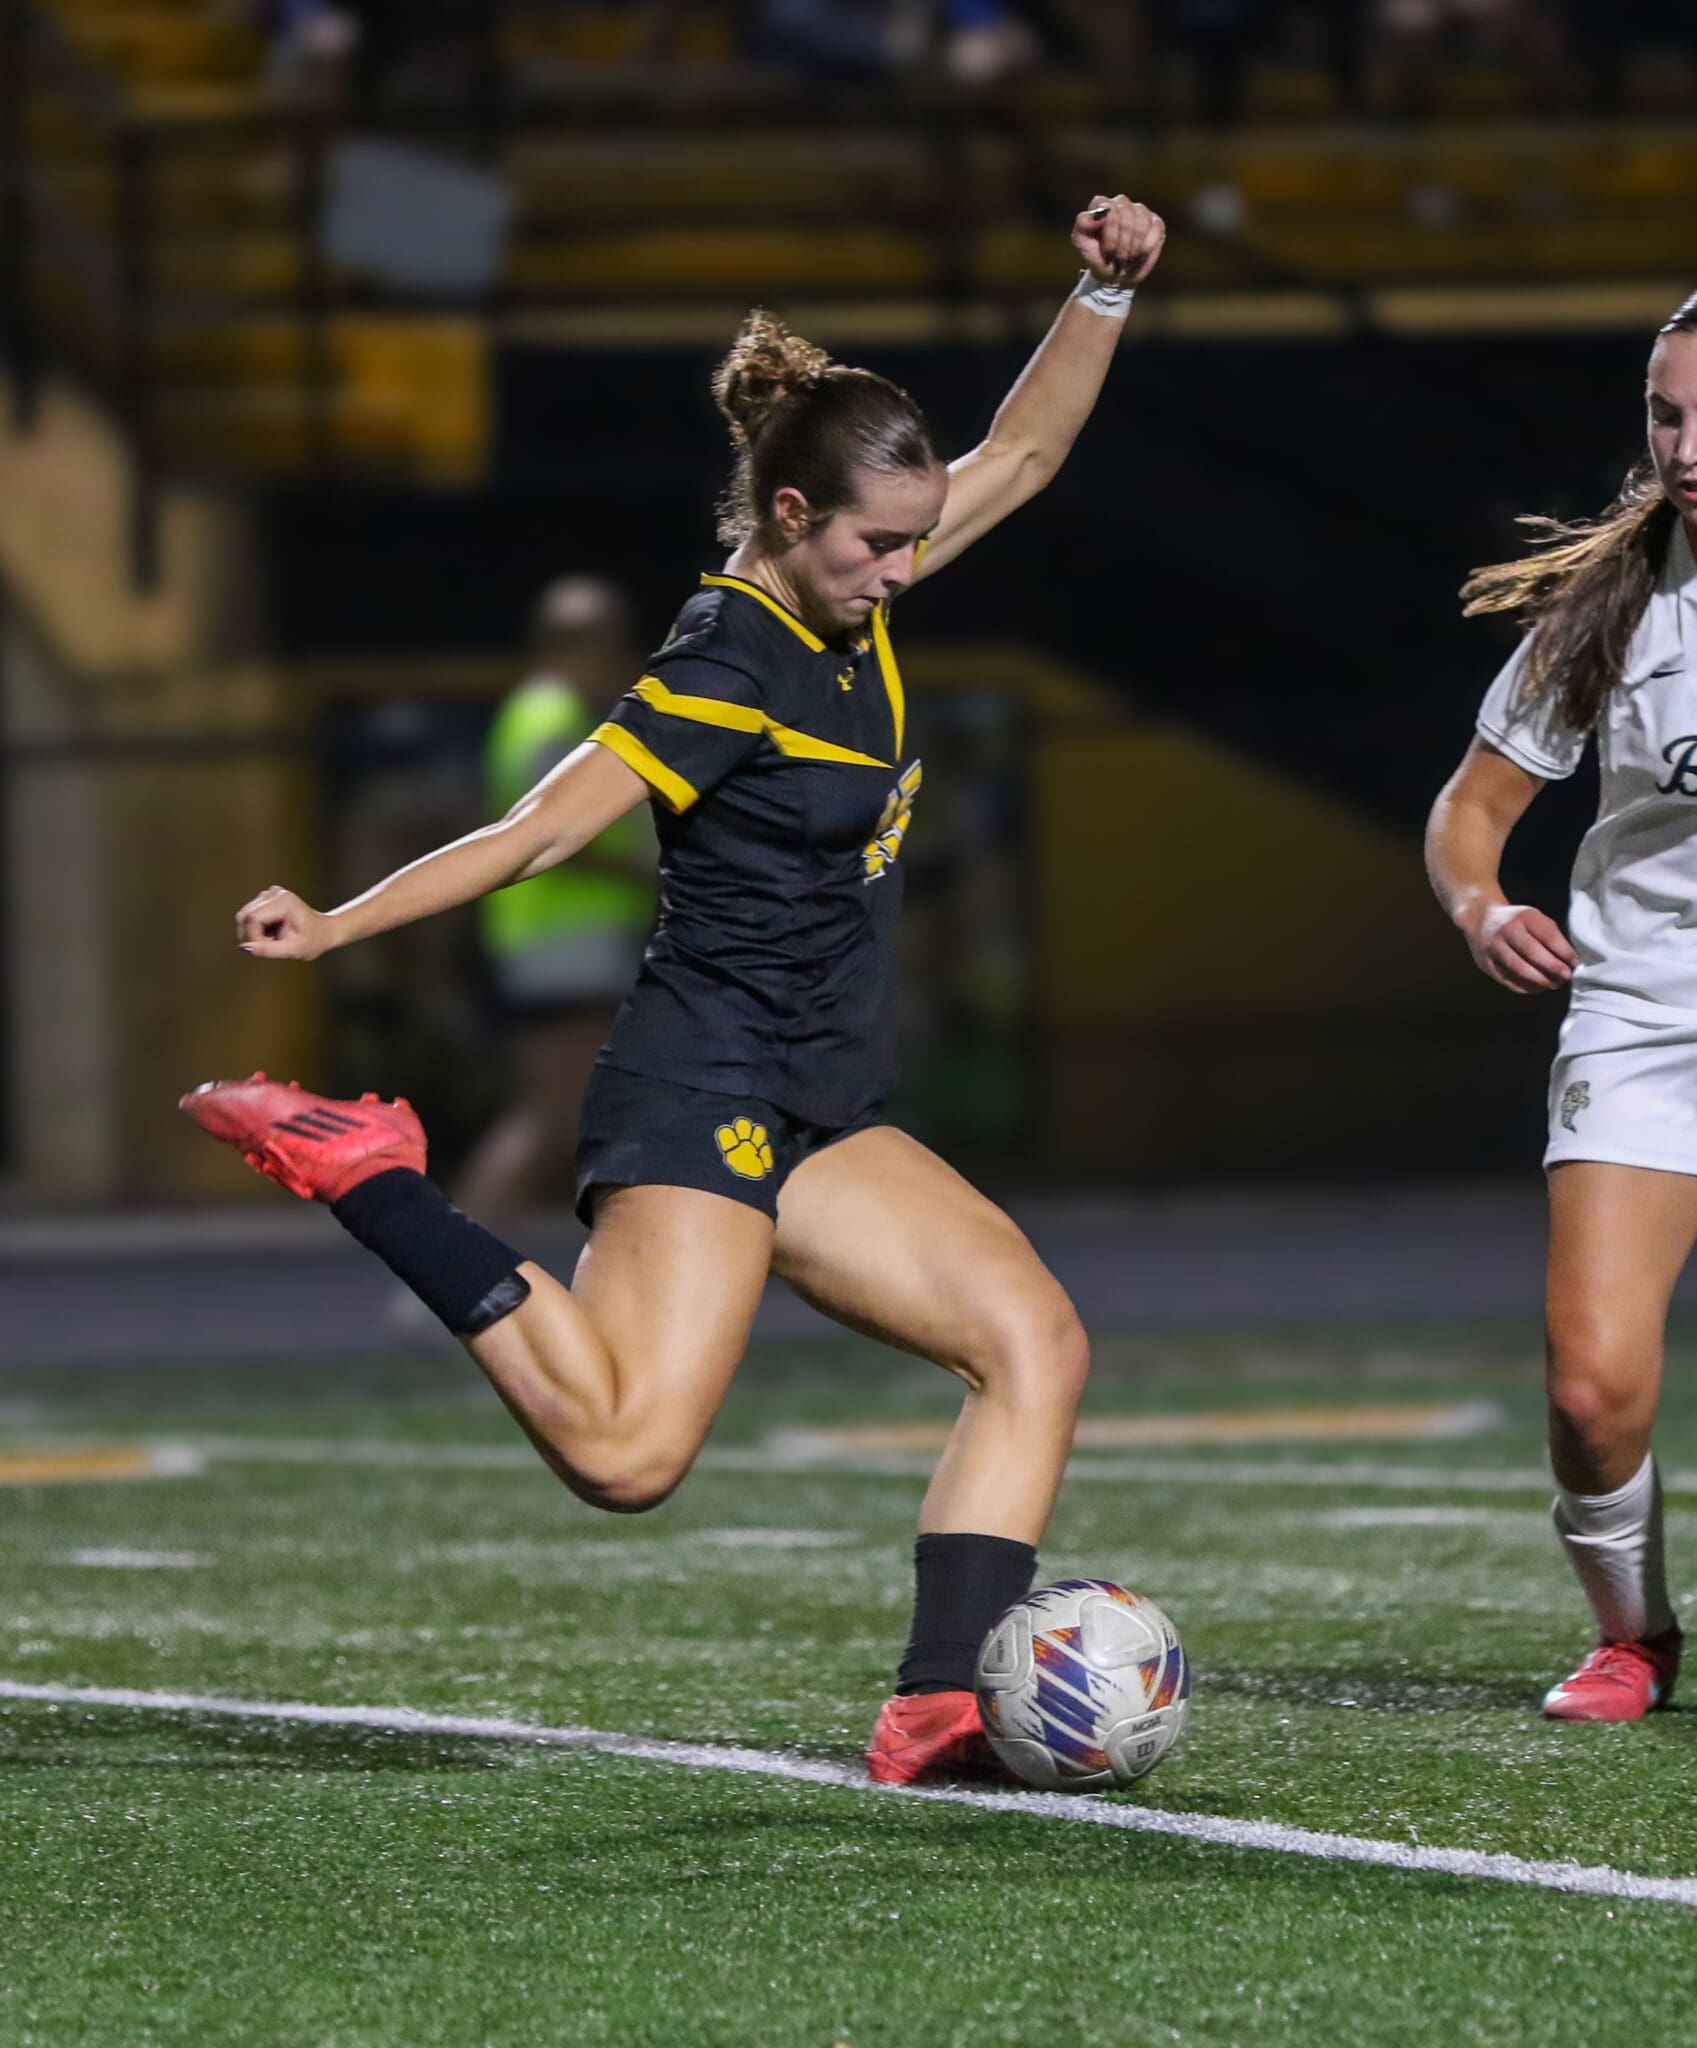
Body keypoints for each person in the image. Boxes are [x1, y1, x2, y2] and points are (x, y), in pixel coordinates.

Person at [180, 192, 1166, 1785]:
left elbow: (1032, 450)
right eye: (876, 542)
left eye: (914, 539)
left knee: (1031, 1342)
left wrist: (1101, 294)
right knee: (629, 1455)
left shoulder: (858, 588)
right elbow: (539, 828)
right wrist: (338, 925)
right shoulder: (728, 659)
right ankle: (373, 1176)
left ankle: (935, 1707)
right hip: (702, 1086)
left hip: (822, 1098)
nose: (903, 567)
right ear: (790, 512)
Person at [1425, 289, 1697, 1723]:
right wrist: (1481, 907)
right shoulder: (1612, 608)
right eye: (1664, 415)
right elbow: (1467, 814)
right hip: (1643, 1012)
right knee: (1591, 1395)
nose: (1683, 447)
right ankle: (1633, 1635)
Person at [459, 578, 655, 1220]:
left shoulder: (543, 712)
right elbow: (556, 835)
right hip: (563, 948)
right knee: (551, 1115)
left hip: (562, 945)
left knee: (561, 1112)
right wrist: (651, 871)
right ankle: (447, 1249)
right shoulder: (551, 719)